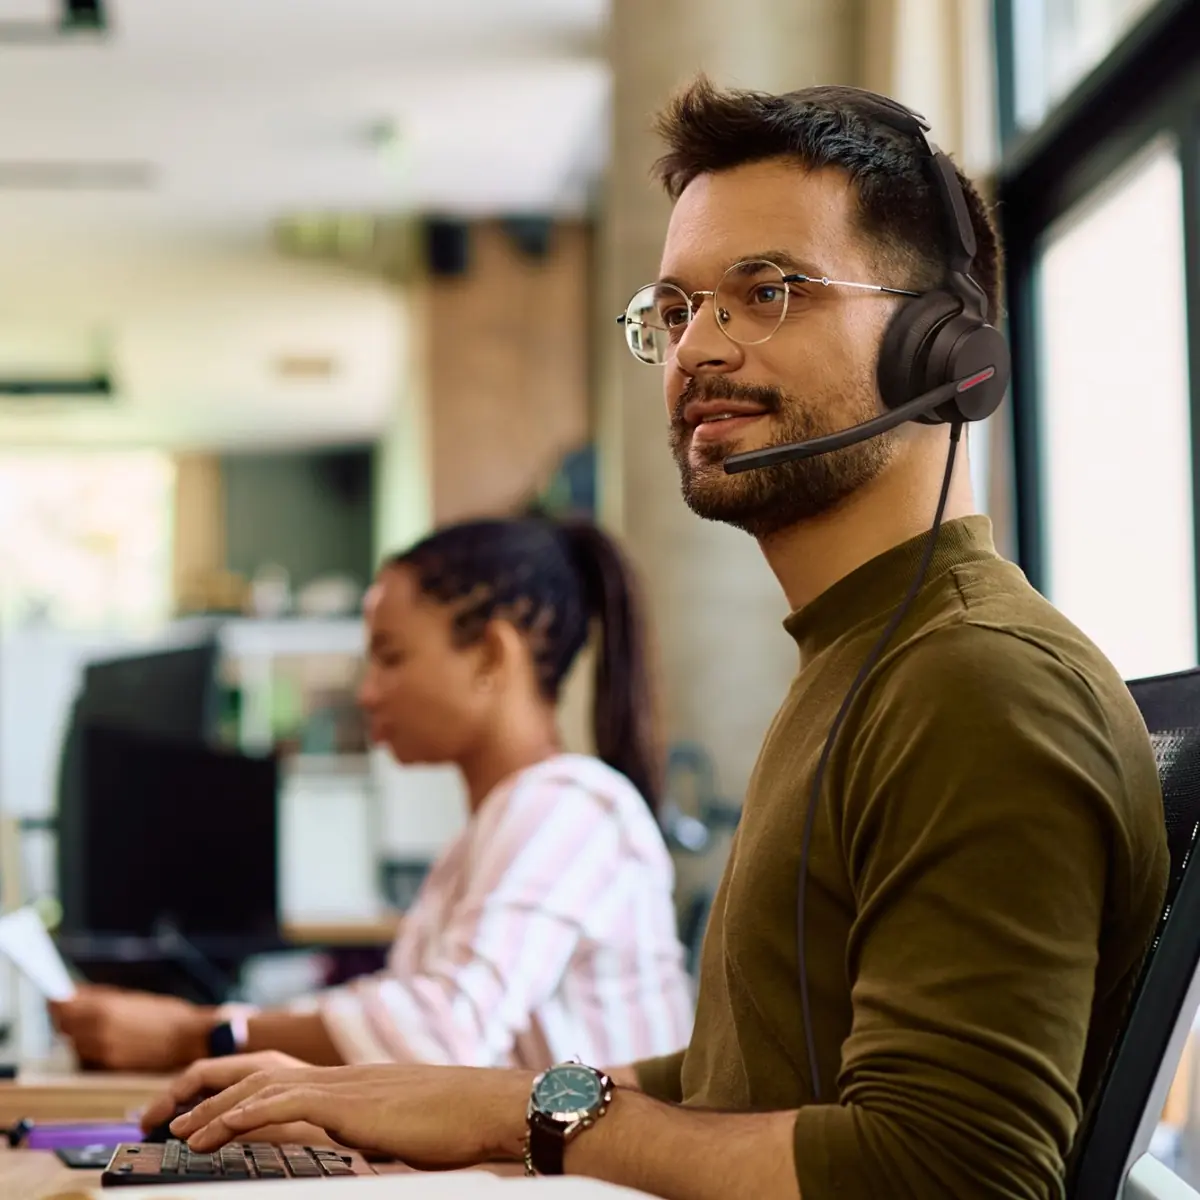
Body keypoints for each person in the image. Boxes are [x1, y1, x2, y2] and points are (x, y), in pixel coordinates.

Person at [142, 81, 1169, 1200]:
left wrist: (506, 1108)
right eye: (676, 310)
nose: (697, 351)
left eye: (765, 292)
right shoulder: (861, 660)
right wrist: (445, 1106)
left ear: (946, 352)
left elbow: (949, 1172)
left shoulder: (977, 681)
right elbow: (738, 1078)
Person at [51, 517, 693, 1075]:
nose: (367, 693)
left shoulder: (569, 805)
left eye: (390, 657)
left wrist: (197, 1035)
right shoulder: (493, 831)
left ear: (491, 655)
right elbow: (404, 1013)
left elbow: (441, 1032)